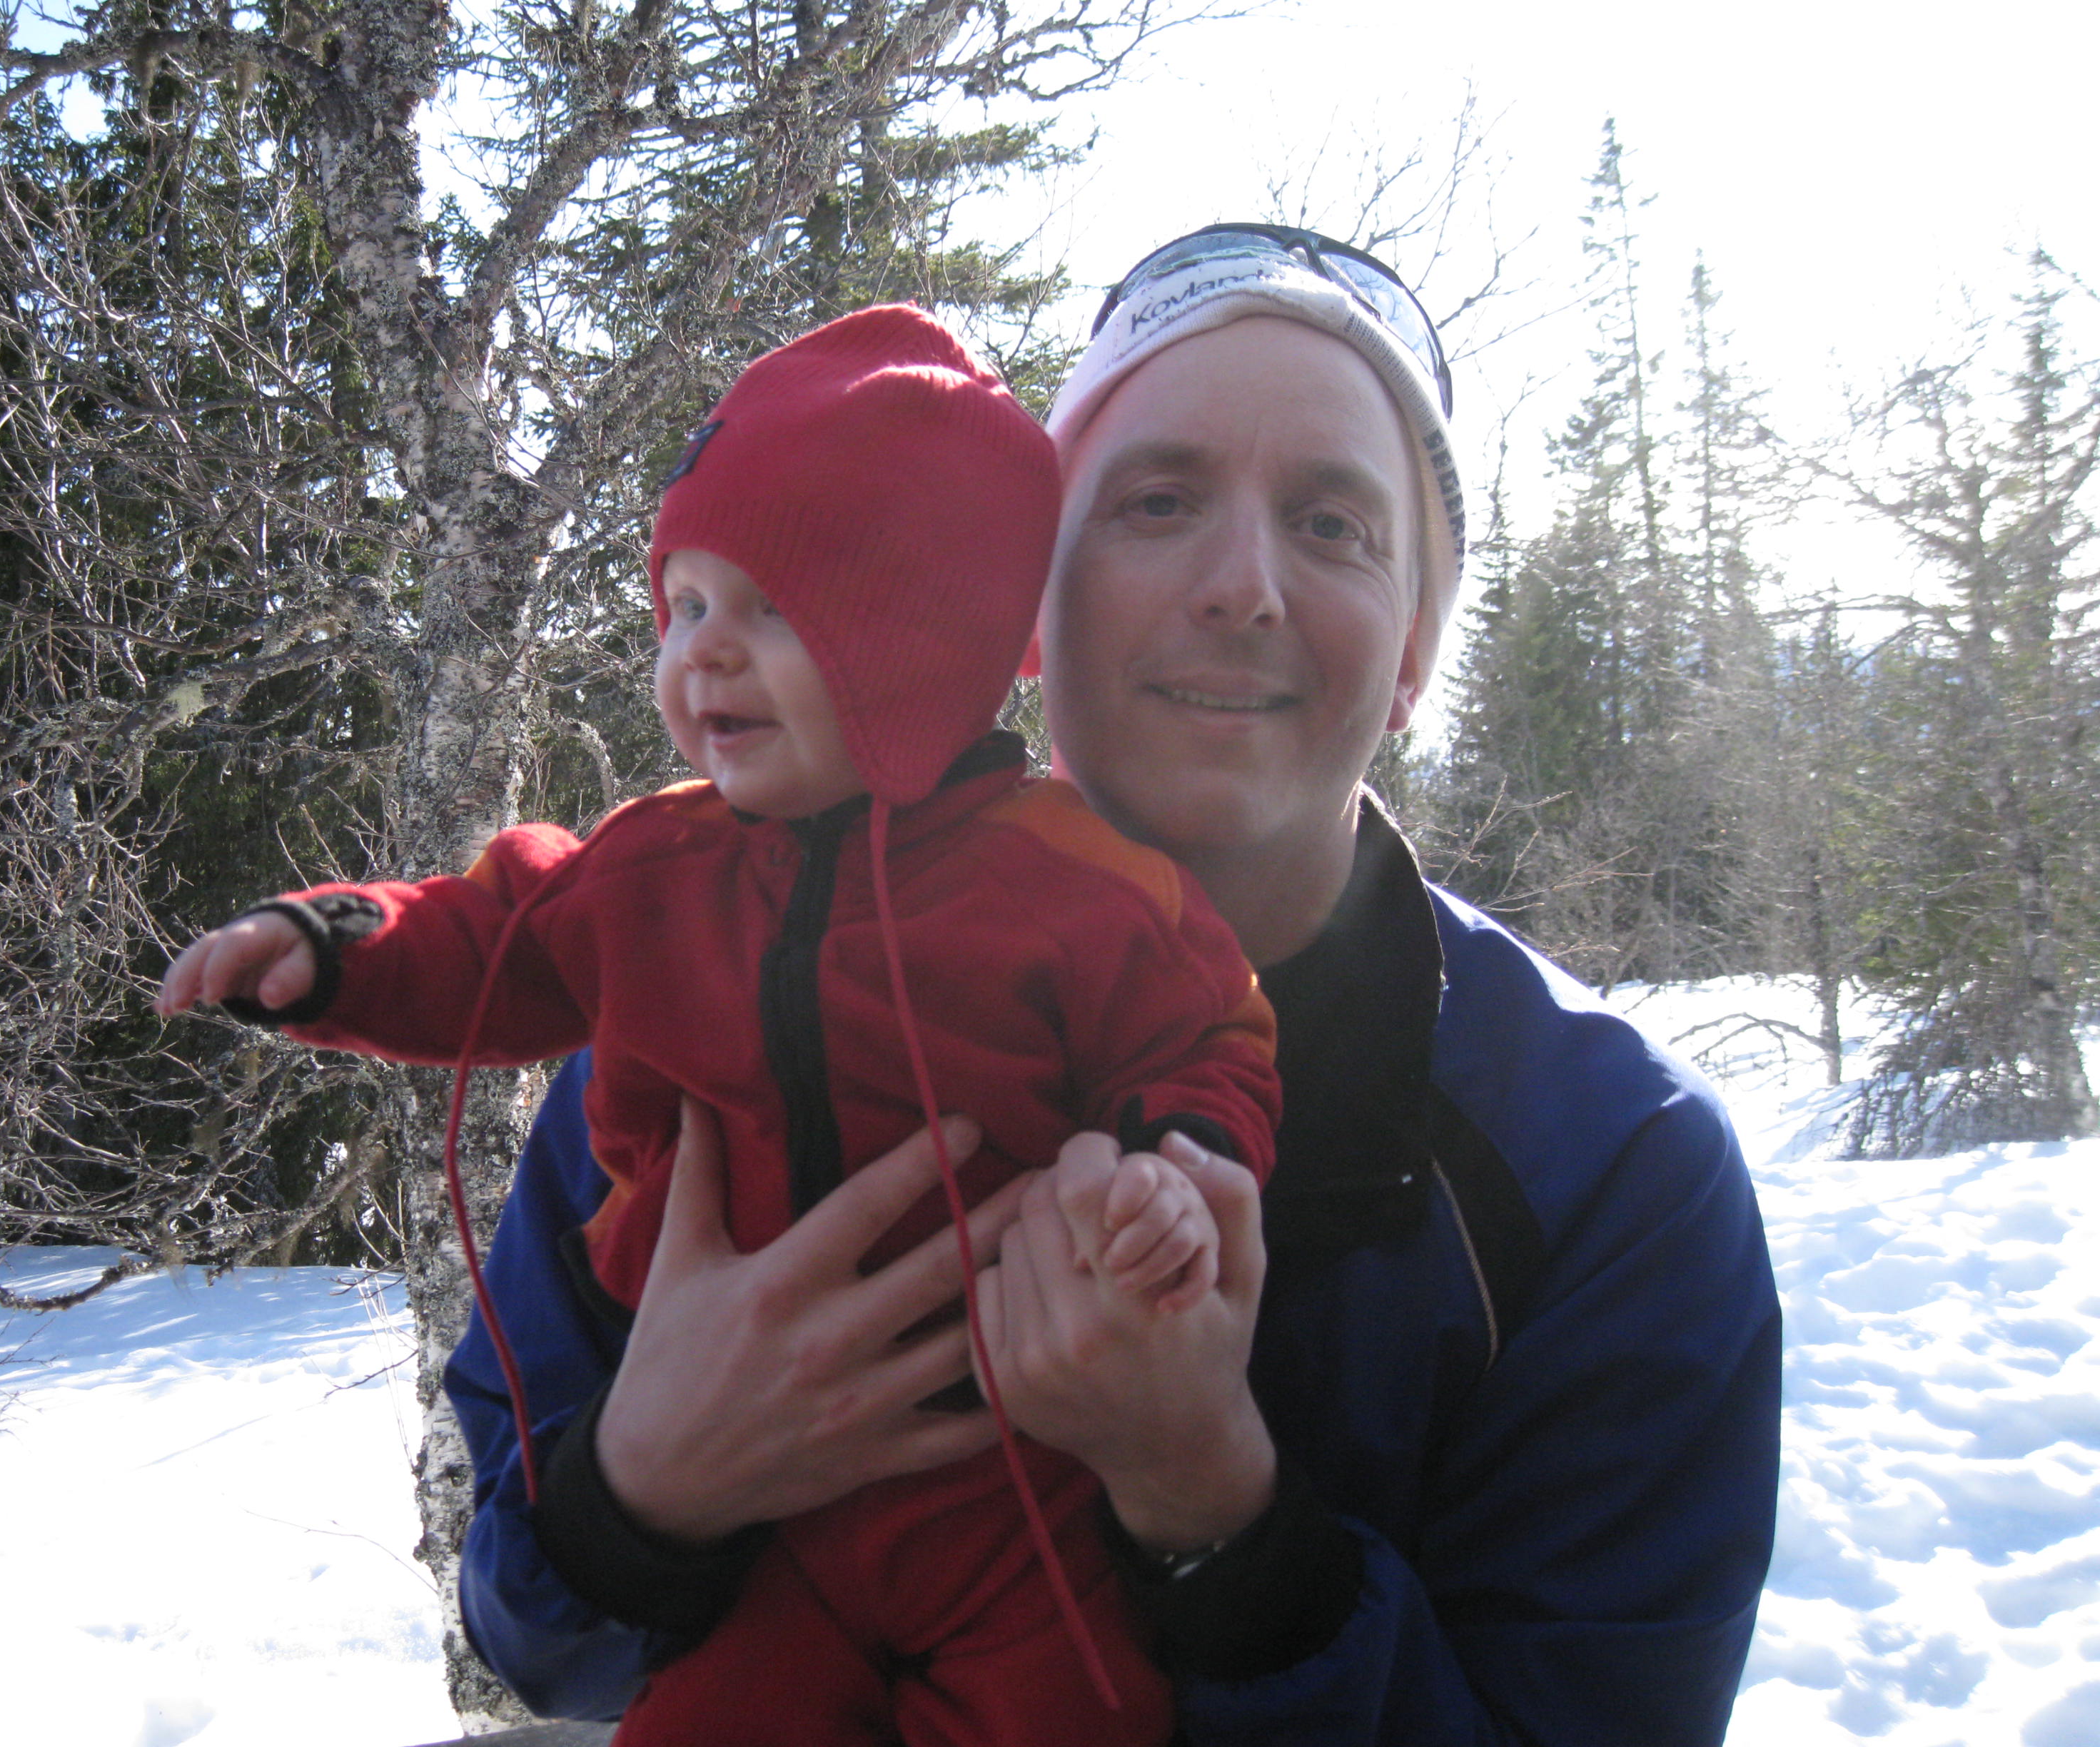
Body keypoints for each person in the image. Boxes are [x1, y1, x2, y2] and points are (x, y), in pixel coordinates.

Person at [448, 227, 1782, 1745]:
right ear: (1025, 608)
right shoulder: (709, 989)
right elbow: (531, 1633)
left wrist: (1210, 1504)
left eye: (1334, 525)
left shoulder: (1610, 1164)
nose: (1243, 586)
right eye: (1156, 502)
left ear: (1414, 650)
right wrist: (642, 1492)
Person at [156, 304, 1281, 1746]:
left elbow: (1204, 1036)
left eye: (773, 610)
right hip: (757, 1533)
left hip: (1007, 1491)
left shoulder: (1070, 878)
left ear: (930, 635)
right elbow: (495, 930)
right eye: (685, 606)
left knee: (1074, 1715)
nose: (707, 655)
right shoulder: (656, 867)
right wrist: (328, 948)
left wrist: (1175, 1168)